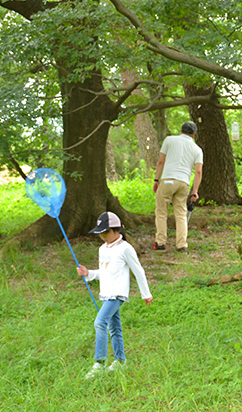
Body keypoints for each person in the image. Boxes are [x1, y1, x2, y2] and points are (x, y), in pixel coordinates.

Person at [77, 212, 153, 379]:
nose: (102, 237)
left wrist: (145, 294)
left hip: (117, 294)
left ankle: (100, 363)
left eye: (105, 232)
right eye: (100, 233)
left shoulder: (125, 248)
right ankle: (120, 360)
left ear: (116, 230)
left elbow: (138, 270)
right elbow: (104, 272)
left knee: (99, 322)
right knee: (114, 328)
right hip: (105, 294)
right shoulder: (102, 249)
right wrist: (88, 273)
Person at [151, 121, 203, 253]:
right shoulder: (197, 149)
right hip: (183, 183)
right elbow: (198, 172)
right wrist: (194, 191)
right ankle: (181, 245)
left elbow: (161, 162)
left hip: (168, 179)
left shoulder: (169, 140)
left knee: (161, 211)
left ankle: (160, 242)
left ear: (181, 130)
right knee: (181, 214)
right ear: (194, 134)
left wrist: (156, 180)